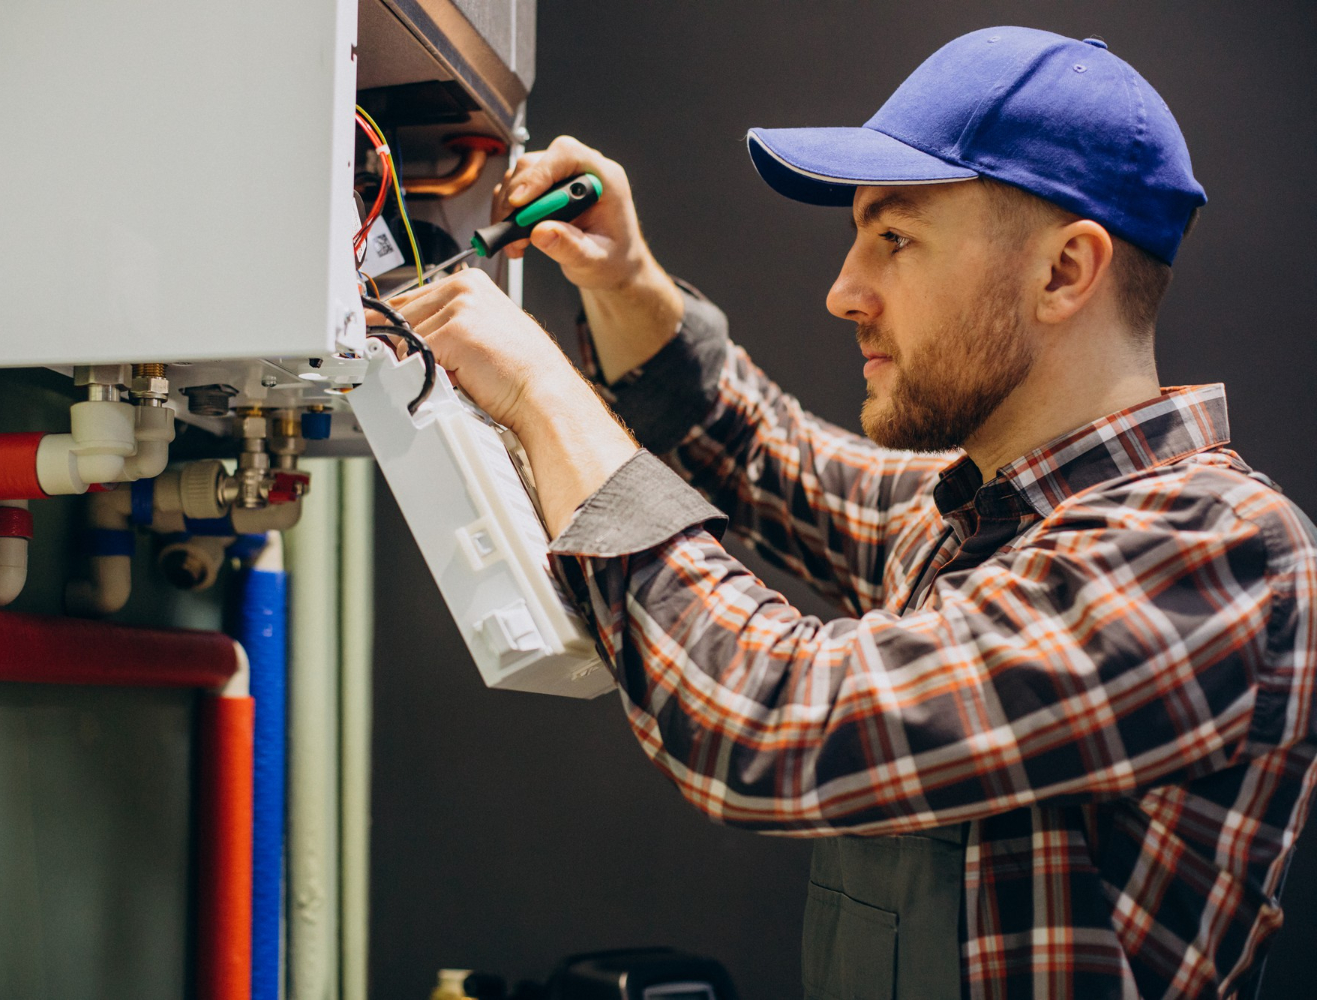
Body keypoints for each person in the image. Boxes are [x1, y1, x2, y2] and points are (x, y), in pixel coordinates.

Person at [383, 26, 1317, 1000]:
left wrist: (543, 391)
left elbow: (773, 719)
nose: (844, 291)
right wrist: (624, 283)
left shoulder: (1215, 552)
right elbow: (768, 460)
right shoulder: (987, 520)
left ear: (1064, 272)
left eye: (895, 238)